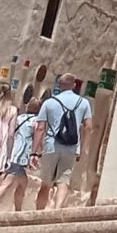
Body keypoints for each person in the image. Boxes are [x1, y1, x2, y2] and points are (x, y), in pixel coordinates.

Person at [31, 72, 92, 211]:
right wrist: (82, 149)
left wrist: (34, 152)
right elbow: (88, 127)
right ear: (74, 85)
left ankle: (38, 212)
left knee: (46, 183)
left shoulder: (49, 102)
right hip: (71, 147)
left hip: (51, 145)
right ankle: (57, 211)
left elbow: (40, 128)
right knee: (63, 182)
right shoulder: (83, 103)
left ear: (59, 85)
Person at [0, 96, 42, 214]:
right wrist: (37, 153)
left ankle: (18, 211)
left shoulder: (20, 118)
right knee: (6, 183)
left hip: (13, 152)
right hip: (20, 155)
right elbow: (37, 138)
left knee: (23, 182)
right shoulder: (36, 121)